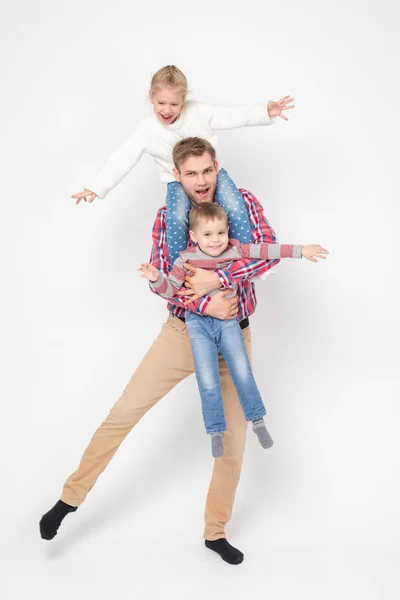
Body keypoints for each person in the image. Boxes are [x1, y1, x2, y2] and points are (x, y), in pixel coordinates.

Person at [40, 137, 283, 566]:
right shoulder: (168, 219)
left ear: (216, 167)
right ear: (178, 175)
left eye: (207, 170)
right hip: (182, 333)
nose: (201, 181)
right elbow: (165, 284)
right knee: (123, 413)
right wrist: (206, 296)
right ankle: (69, 499)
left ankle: (214, 532)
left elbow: (267, 254)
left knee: (234, 443)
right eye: (191, 173)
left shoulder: (241, 202)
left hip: (234, 337)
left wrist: (218, 280)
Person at [139, 202, 328, 457]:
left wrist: (301, 249)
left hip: (229, 321)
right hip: (197, 323)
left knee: (242, 371)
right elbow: (172, 291)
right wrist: (156, 278)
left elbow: (267, 250)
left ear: (227, 231)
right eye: (208, 235)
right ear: (194, 237)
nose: (216, 241)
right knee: (207, 378)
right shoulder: (185, 258)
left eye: (221, 233)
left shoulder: (235, 250)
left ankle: (258, 421)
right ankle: (215, 430)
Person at [71, 65, 294, 264]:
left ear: (184, 101)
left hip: (216, 173)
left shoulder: (199, 113)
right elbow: (123, 157)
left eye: (174, 104)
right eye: (161, 103)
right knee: (176, 216)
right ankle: (180, 269)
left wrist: (265, 111)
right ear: (151, 97)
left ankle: (244, 257)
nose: (167, 110)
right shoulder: (146, 130)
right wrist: (97, 187)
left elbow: (232, 116)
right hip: (174, 181)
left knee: (234, 205)